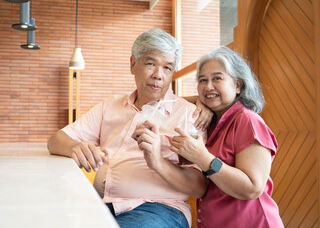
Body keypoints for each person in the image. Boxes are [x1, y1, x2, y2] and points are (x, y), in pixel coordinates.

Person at [47, 28, 210, 228]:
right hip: (101, 202)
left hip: (159, 208)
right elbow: (56, 139)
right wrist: (74, 147)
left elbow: (199, 187)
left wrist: (158, 162)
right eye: (151, 64)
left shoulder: (188, 115)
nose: (159, 75)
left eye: (168, 68)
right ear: (133, 64)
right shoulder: (111, 105)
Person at [170, 46, 284, 228]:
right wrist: (200, 101)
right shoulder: (211, 121)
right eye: (202, 80)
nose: (208, 86)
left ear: (238, 85)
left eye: (217, 78)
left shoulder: (248, 121)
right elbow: (169, 100)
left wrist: (202, 157)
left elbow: (252, 188)